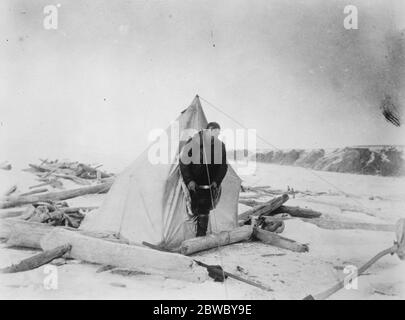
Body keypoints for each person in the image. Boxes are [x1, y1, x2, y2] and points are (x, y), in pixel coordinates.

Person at [179, 122, 228, 236]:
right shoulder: (193, 142)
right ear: (207, 131)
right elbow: (184, 162)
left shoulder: (220, 146)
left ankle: (200, 236)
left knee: (204, 210)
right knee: (192, 209)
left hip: (209, 185)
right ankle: (190, 235)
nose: (215, 136)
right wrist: (189, 180)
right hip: (194, 183)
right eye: (213, 133)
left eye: (217, 134)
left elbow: (223, 166)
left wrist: (217, 181)